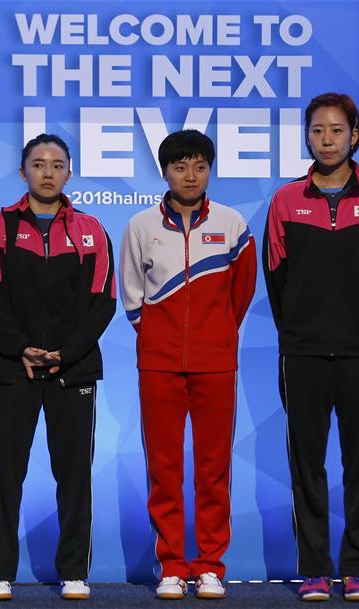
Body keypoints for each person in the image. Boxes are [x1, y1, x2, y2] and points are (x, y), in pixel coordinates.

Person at [263, 94, 359, 602]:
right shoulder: (285, 201)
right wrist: (300, 330)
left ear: (355, 136)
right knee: (307, 463)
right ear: (307, 136)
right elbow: (276, 278)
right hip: (302, 353)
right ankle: (316, 569)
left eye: (336, 131)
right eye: (317, 130)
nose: (326, 140)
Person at [120, 130, 256, 600]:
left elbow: (241, 294)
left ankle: (210, 566)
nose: (190, 175)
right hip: (158, 366)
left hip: (215, 365)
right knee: (164, 468)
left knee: (214, 469)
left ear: (210, 170)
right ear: (164, 172)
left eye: (199, 166)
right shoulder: (140, 226)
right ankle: (173, 565)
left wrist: (216, 336)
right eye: (180, 166)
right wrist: (158, 337)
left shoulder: (232, 223)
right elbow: (132, 294)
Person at [0, 133, 116, 601]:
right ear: (23, 172)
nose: (47, 171)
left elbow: (103, 302)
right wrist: (20, 347)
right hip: (10, 368)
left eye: (57, 164)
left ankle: (74, 571)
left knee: (74, 475)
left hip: (72, 370)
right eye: (38, 164)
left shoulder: (91, 229)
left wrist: (65, 352)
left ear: (69, 172)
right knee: (6, 474)